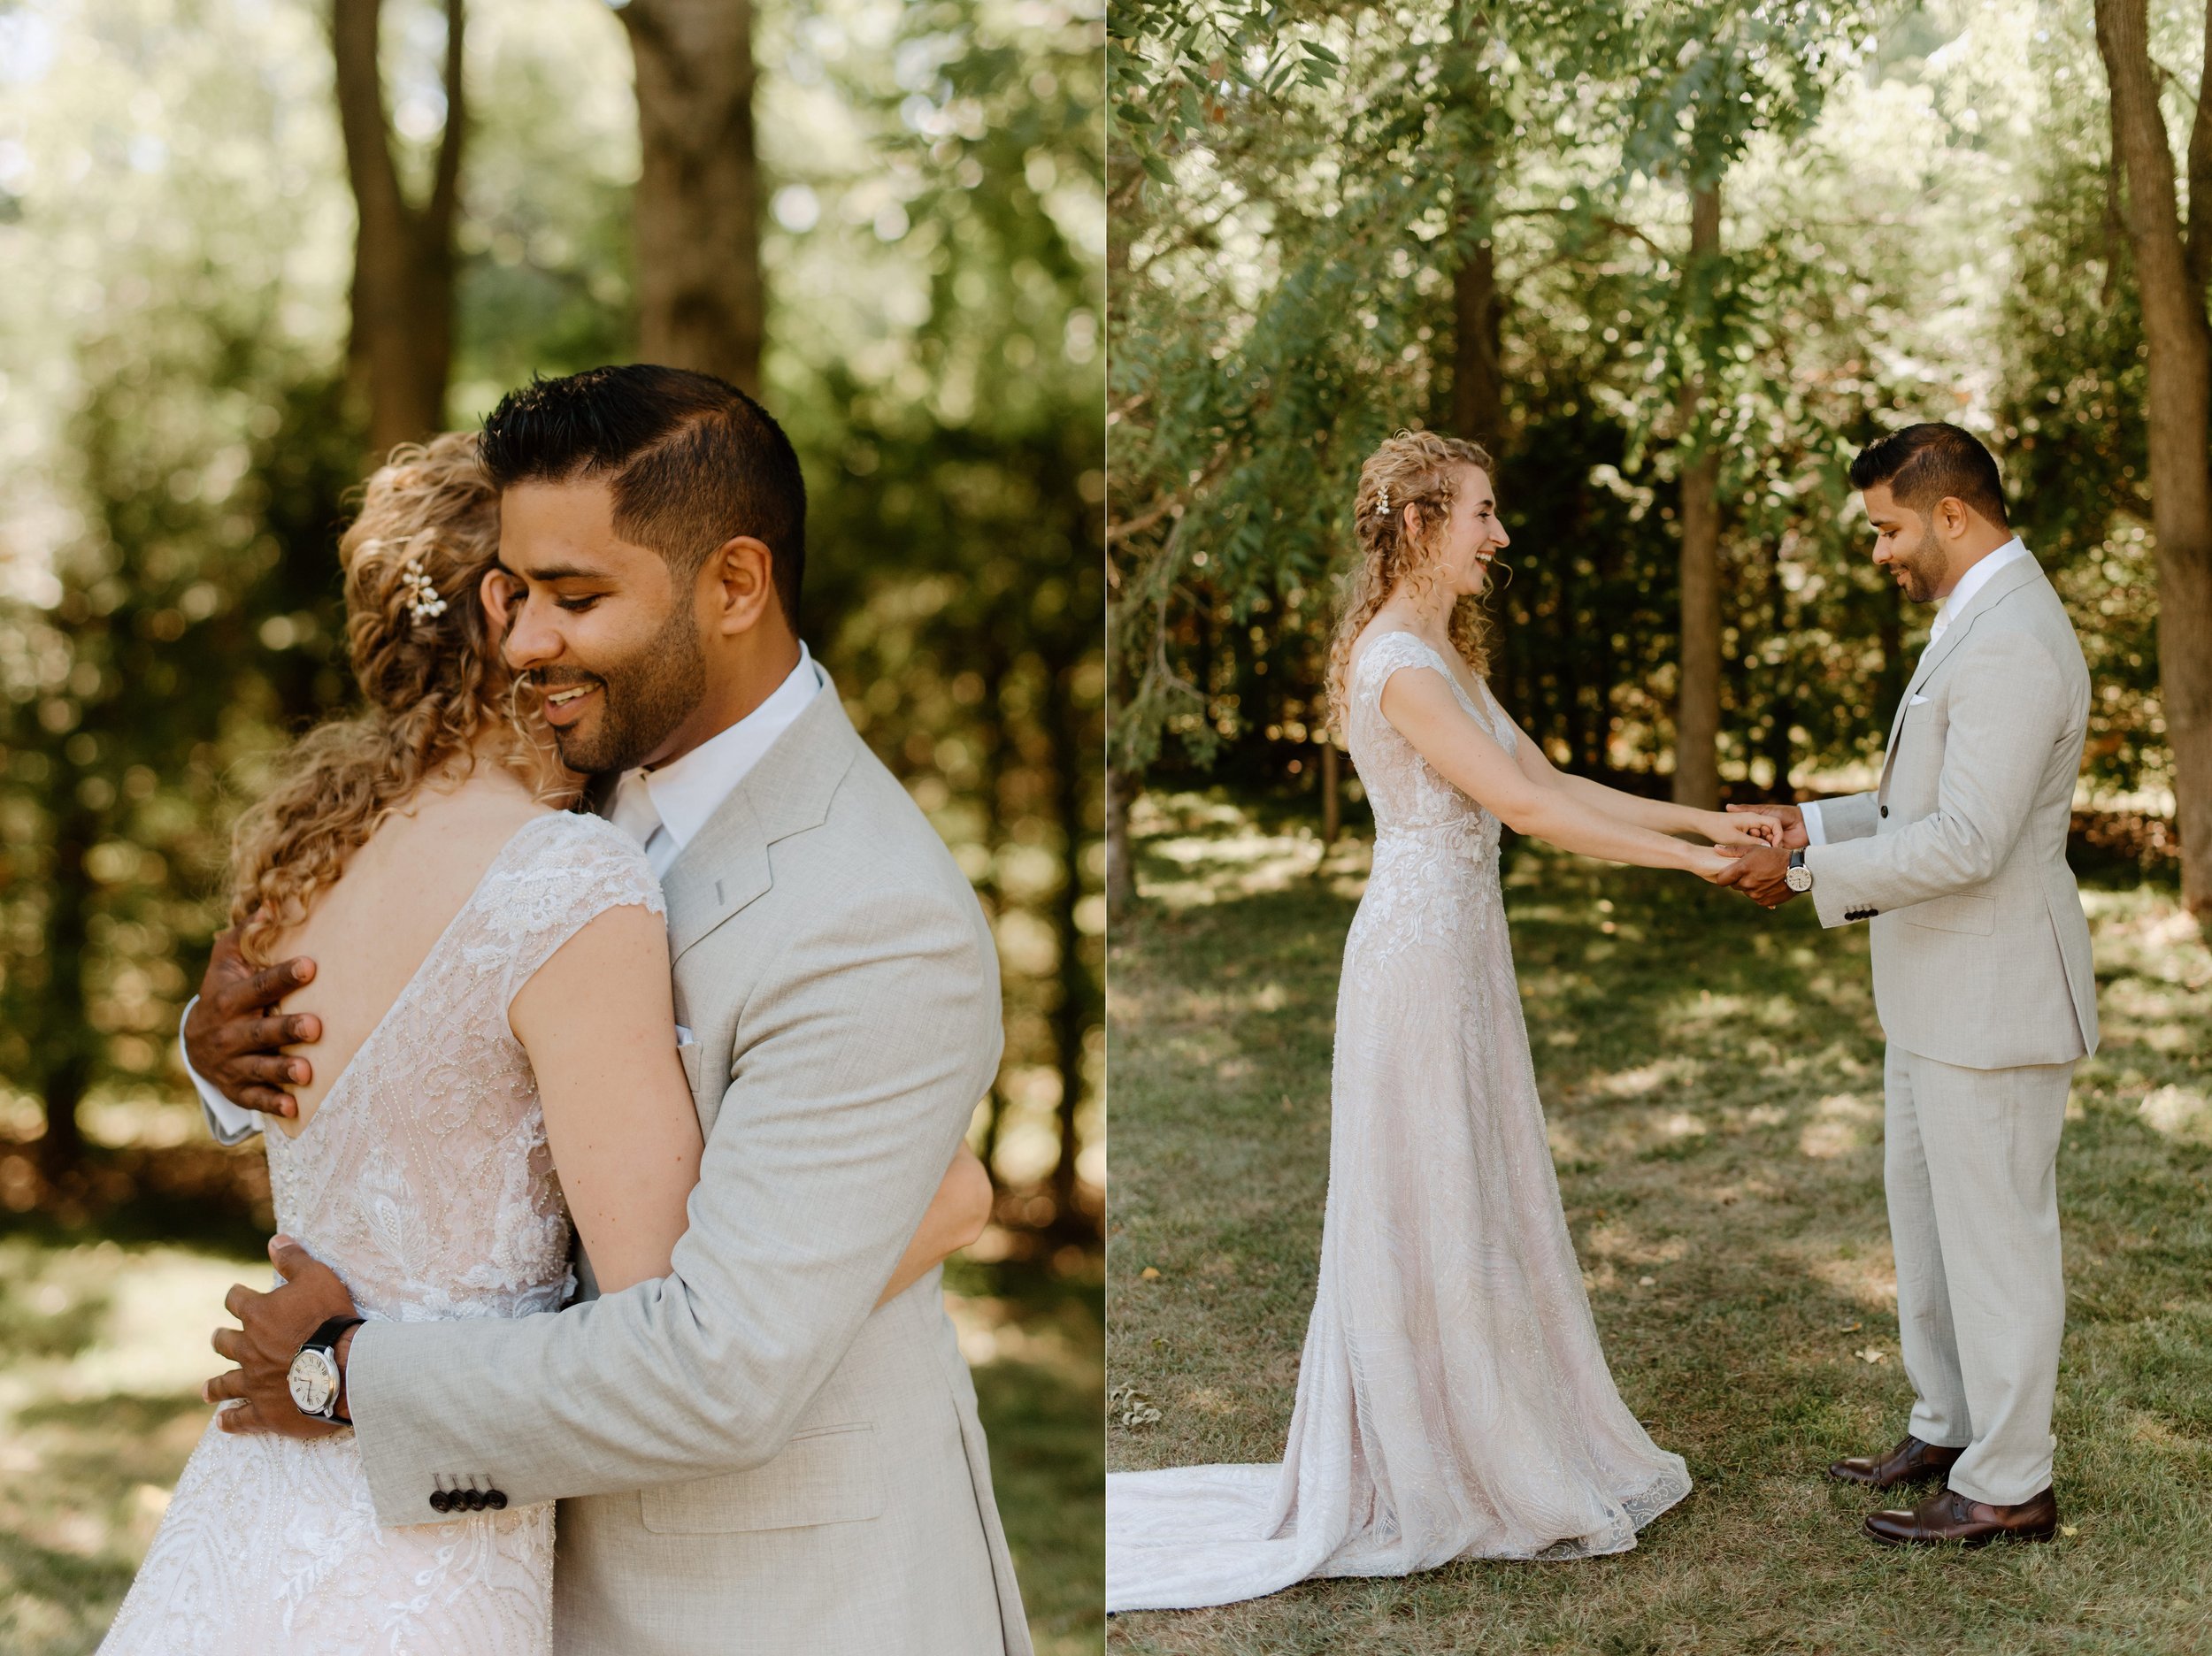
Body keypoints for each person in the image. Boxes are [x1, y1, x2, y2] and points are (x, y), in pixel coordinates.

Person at [143, 369, 1028, 1654]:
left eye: (573, 600)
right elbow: (441, 1007)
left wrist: (348, 1369)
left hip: (766, 1608)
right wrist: (213, 1051)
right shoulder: (571, 792)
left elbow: (722, 1364)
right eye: (514, 594)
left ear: (734, 587)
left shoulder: (876, 912)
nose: (524, 641)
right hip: (498, 1562)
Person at [1106, 429, 1778, 1612]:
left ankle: (1479, 1421)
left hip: (1462, 951)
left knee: (1476, 1179)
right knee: (1429, 1185)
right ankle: (1436, 1449)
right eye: (1480, 513)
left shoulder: (1439, 654)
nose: (1499, 535)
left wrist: (1704, 825)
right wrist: (1690, 868)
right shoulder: (1399, 668)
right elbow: (1524, 807)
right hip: (1416, 960)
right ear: (1418, 524)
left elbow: (1558, 780)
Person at [1714, 421, 2097, 1548]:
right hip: (1932, 992)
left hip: (1994, 995)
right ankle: (1947, 1428)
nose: (1876, 551)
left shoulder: (2016, 637)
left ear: (1949, 514)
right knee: (1928, 1231)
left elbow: (1971, 840)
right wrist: (1813, 820)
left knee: (1998, 1243)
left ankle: (2010, 1481)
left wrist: (1804, 870)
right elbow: (1925, 800)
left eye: (1884, 529)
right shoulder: (1968, 619)